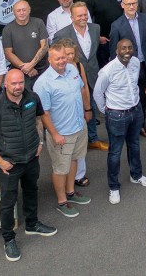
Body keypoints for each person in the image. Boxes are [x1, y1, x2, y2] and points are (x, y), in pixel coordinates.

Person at [0, 68, 56, 262]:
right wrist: (0, 161)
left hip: (31, 158)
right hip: (9, 164)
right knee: (7, 202)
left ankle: (32, 224)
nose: (18, 87)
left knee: (31, 191)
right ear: (5, 84)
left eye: (20, 82)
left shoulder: (32, 97)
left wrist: (40, 143)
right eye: (13, 83)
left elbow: (39, 120)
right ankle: (9, 240)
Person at [93, 39, 146, 206]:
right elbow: (98, 93)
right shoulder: (107, 71)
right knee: (115, 152)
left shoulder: (135, 62)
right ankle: (113, 187)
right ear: (116, 51)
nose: (127, 51)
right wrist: (106, 110)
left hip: (135, 111)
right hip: (116, 115)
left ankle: (136, 175)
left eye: (130, 48)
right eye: (123, 48)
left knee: (134, 145)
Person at [34, 43, 92, 219]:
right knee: (60, 168)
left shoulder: (73, 71)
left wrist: (85, 114)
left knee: (74, 159)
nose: (61, 61)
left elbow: (81, 92)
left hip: (78, 126)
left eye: (64, 57)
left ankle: (71, 192)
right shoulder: (43, 83)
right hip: (61, 133)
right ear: (49, 59)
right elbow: (43, 113)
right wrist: (54, 134)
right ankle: (61, 201)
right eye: (57, 58)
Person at [54, 3, 105, 151]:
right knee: (75, 107)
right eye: (79, 16)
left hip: (92, 73)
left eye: (85, 14)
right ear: (72, 17)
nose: (83, 18)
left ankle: (93, 139)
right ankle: (77, 142)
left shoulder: (95, 29)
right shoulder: (61, 34)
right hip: (71, 77)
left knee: (91, 106)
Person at [109, 0, 146, 139]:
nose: (131, 6)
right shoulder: (116, 25)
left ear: (137, 4)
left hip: (145, 65)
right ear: (122, 5)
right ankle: (131, 125)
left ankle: (140, 125)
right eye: (128, 4)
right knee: (130, 97)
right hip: (128, 68)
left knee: (143, 97)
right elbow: (113, 51)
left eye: (134, 3)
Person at [54, 39, 92, 189]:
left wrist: (87, 108)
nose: (69, 57)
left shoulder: (78, 66)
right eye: (66, 54)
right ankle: (64, 177)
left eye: (72, 53)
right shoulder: (53, 71)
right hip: (64, 117)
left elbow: (84, 88)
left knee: (80, 148)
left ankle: (79, 175)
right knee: (65, 150)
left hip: (79, 112)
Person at [2, 0, 48, 90]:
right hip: (20, 73)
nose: (21, 13)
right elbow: (8, 53)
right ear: (14, 12)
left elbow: (45, 46)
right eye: (18, 11)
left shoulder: (38, 23)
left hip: (42, 69)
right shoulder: (8, 29)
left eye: (24, 10)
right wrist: (27, 69)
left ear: (29, 10)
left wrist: (31, 65)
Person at [86, 0, 123, 69]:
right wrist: (98, 37)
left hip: (121, 39)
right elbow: (87, 21)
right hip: (104, 42)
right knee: (106, 68)